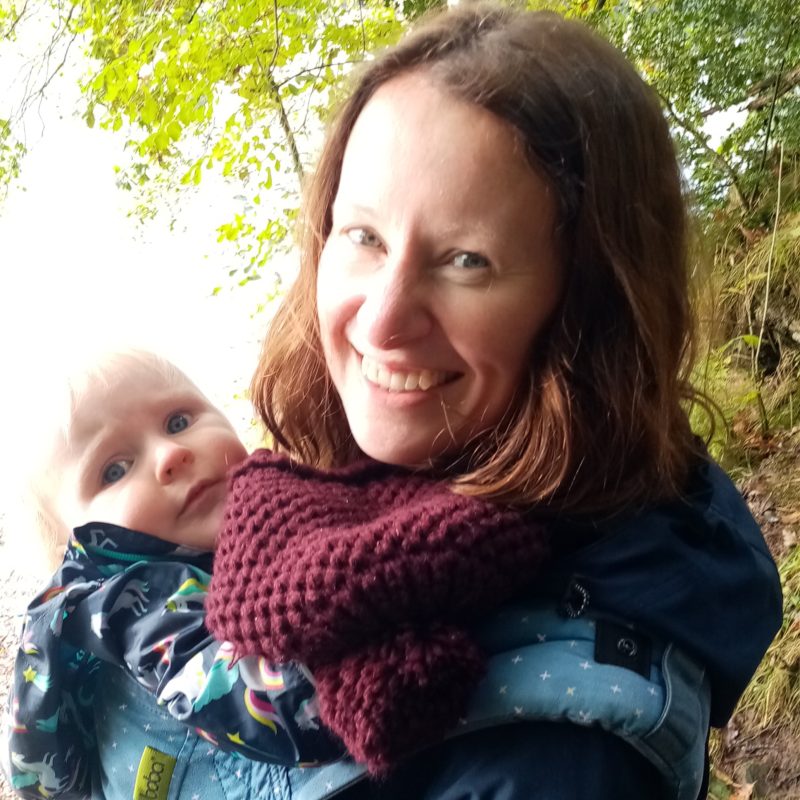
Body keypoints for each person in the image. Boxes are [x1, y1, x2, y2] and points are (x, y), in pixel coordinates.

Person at [204, 5, 783, 800]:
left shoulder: (553, 766)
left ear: (591, 308)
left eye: (466, 260)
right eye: (363, 236)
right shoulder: (395, 517)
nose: (380, 318)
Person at [2, 350, 347, 799]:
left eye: (179, 422)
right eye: (114, 470)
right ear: (75, 549)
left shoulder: (267, 516)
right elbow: (293, 714)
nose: (172, 454)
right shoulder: (126, 606)